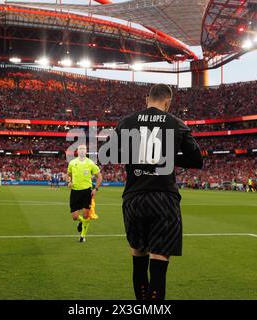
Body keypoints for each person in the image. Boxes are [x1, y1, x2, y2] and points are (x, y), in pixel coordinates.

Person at [113, 84, 203, 300]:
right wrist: (168, 155)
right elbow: (196, 160)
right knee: (159, 264)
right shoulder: (176, 123)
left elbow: (113, 153)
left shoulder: (126, 122)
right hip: (164, 199)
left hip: (134, 198)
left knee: (138, 259)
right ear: (168, 102)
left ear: (147, 100)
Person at [67, 144, 102, 242]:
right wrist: (69, 181)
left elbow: (99, 177)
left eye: (84, 149)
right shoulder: (72, 163)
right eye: (80, 149)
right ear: (77, 151)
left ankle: (82, 236)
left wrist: (96, 189)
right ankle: (81, 222)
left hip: (87, 192)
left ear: (86, 151)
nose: (82, 151)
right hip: (75, 191)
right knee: (74, 217)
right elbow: (69, 174)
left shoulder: (91, 163)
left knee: (86, 215)